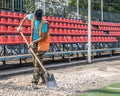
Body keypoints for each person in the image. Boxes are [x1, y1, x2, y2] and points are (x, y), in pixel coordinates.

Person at [17, 9, 50, 87]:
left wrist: (33, 42)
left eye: (38, 17)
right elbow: (25, 17)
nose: (36, 18)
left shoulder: (44, 23)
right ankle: (44, 79)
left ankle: (34, 82)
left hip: (41, 45)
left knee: (37, 64)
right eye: (36, 17)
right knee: (37, 62)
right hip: (33, 43)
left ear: (41, 16)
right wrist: (20, 26)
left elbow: (44, 37)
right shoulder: (32, 16)